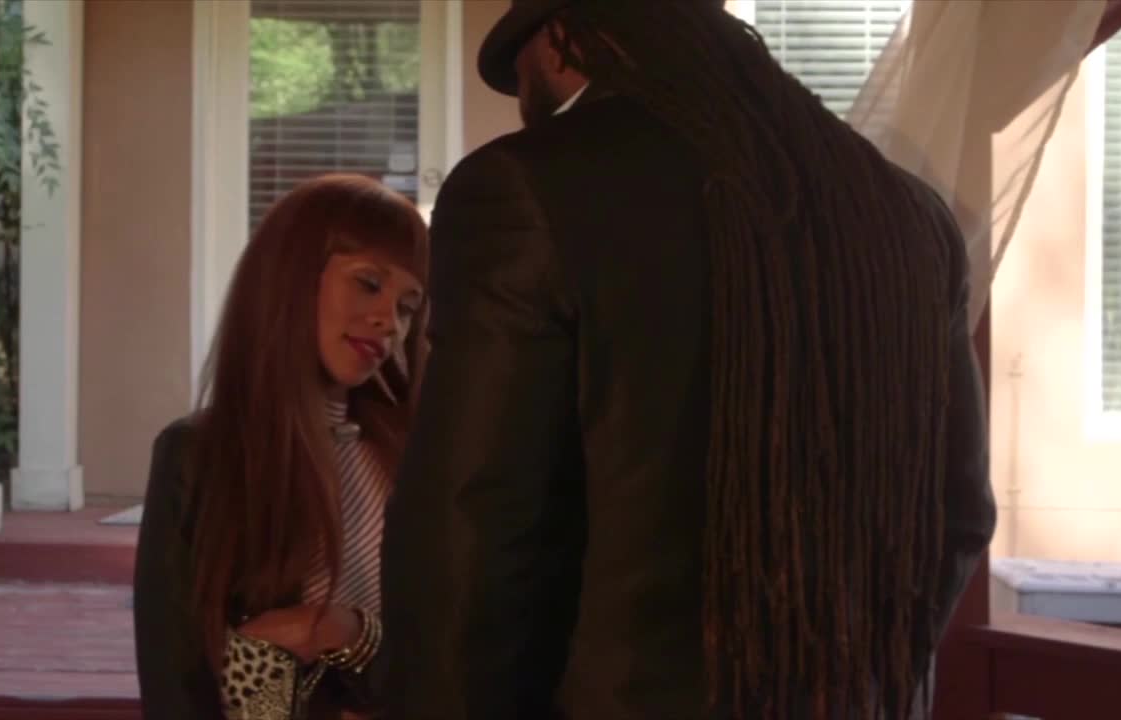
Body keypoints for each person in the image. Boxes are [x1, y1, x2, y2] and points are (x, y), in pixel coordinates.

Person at [379, 1, 995, 719]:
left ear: (560, 38)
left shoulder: (527, 187)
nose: (527, 105)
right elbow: (958, 515)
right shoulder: (910, 214)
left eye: (521, 77)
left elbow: (470, 538)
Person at [133, 174, 428, 719]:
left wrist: (348, 632)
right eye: (369, 283)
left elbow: (455, 655)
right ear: (292, 277)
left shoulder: (415, 457)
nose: (389, 321)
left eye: (407, 307)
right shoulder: (198, 458)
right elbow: (175, 689)